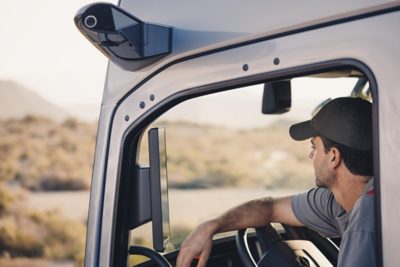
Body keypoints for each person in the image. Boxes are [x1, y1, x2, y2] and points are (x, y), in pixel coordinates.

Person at [176, 97, 375, 267]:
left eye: (314, 147)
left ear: (333, 157)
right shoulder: (337, 202)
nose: (310, 155)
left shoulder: (367, 223)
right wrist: (210, 226)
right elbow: (271, 208)